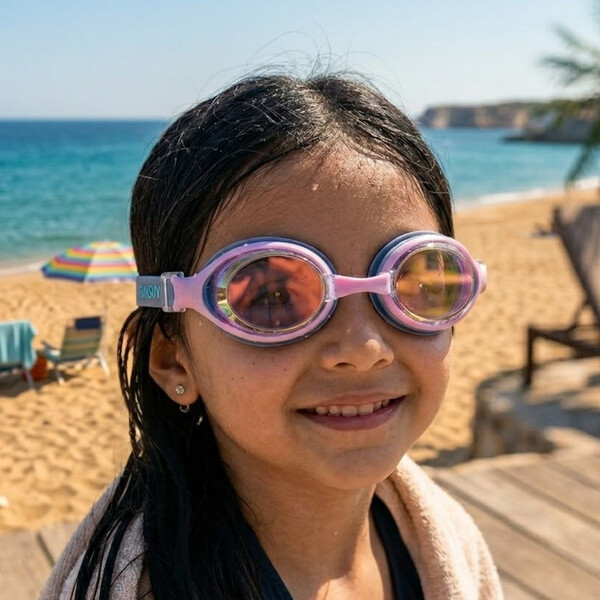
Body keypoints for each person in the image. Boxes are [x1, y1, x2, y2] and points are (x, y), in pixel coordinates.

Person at [41, 72, 502, 600]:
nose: (363, 349)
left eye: (416, 280)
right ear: (173, 358)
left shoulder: (447, 540)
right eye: (273, 296)